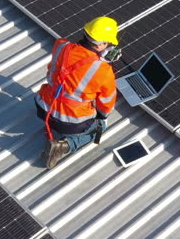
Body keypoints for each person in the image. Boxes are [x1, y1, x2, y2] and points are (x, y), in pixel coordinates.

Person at [36, 16, 119, 169]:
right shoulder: (103, 70)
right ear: (101, 45)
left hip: (43, 107)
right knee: (101, 127)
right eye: (108, 43)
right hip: (69, 123)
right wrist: (100, 117)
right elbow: (106, 103)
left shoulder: (61, 46)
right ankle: (64, 146)